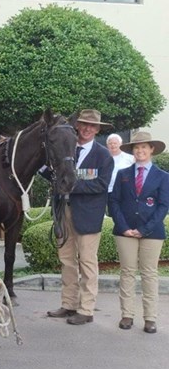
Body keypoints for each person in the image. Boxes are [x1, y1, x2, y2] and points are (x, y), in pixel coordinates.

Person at [46, 109, 114, 326]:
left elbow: (101, 184)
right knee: (66, 261)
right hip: (63, 211)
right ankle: (69, 304)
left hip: (87, 216)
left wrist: (72, 185)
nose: (86, 128)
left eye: (92, 126)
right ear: (77, 126)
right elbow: (55, 174)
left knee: (87, 262)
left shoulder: (102, 155)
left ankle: (86, 309)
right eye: (83, 124)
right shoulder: (67, 148)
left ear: (98, 129)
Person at [108, 131, 169, 334]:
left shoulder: (162, 177)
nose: (140, 150)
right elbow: (114, 202)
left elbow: (163, 206)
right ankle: (127, 315)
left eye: (144, 147)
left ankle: (150, 318)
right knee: (127, 272)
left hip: (152, 232)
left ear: (151, 149)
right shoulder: (123, 174)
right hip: (124, 231)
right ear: (132, 151)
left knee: (149, 274)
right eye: (136, 147)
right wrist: (124, 227)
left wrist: (144, 229)